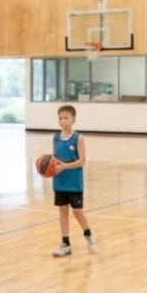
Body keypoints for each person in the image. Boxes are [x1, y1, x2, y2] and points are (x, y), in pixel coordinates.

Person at [49, 104, 97, 257]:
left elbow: (82, 161)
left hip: (74, 183)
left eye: (66, 118)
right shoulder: (56, 137)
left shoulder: (78, 138)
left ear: (73, 119)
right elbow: (54, 158)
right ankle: (65, 243)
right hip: (59, 182)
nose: (63, 121)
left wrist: (64, 166)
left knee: (77, 212)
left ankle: (88, 233)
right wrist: (50, 166)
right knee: (62, 212)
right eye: (60, 118)